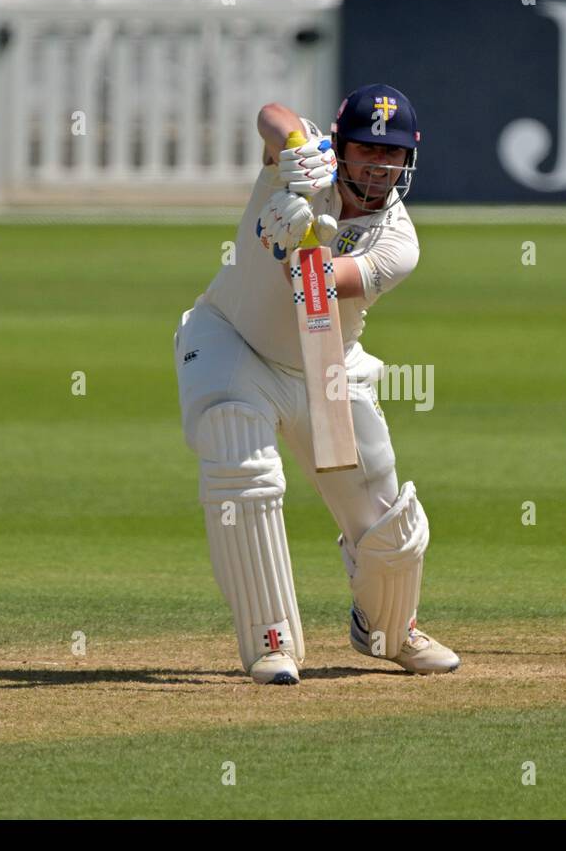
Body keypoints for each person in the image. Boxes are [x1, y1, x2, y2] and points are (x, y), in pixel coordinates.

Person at [172, 84, 459, 685]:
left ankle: (388, 630)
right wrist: (295, 146)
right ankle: (271, 641)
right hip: (233, 342)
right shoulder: (306, 159)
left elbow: (322, 284)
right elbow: (269, 115)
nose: (379, 168)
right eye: (366, 152)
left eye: (393, 155)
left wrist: (290, 246)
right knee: (241, 461)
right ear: (343, 145)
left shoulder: (399, 240)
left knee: (389, 526)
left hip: (328, 363)